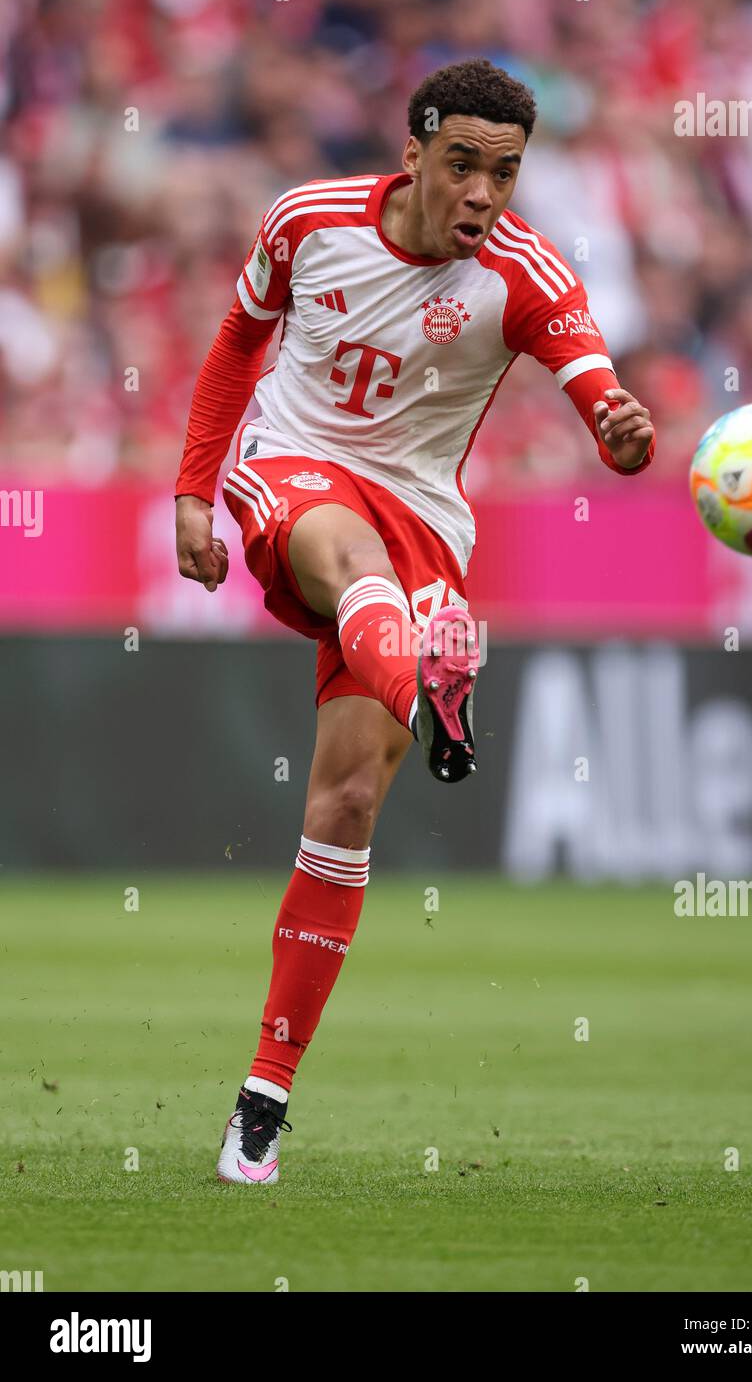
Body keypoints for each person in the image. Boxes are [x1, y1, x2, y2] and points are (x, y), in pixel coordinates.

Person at [174, 58, 655, 1184]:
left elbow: (597, 388)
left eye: (504, 172)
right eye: (461, 166)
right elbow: (237, 345)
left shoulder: (525, 273)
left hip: (425, 521)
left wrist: (618, 428)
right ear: (413, 155)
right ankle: (429, 680)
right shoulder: (308, 223)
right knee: (346, 560)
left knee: (342, 806)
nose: (482, 193)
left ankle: (262, 1101)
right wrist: (194, 490)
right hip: (296, 469)